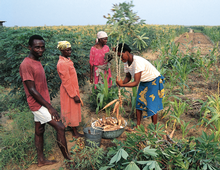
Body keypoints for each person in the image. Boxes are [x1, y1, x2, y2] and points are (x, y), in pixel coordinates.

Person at [19, 35, 71, 167]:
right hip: (37, 104)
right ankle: (69, 160)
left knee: (39, 130)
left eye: (42, 47)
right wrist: (49, 107)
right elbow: (32, 90)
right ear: (30, 47)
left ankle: (41, 160)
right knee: (60, 127)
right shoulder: (26, 64)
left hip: (42, 102)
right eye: (37, 47)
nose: (40, 50)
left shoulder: (36, 61)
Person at [115, 43, 165, 128]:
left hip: (154, 80)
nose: (121, 58)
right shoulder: (126, 62)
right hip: (144, 81)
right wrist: (121, 83)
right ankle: (138, 126)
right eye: (119, 57)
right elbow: (128, 76)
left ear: (126, 52)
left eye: (121, 55)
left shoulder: (137, 62)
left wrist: (122, 85)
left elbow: (136, 82)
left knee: (151, 104)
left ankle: (155, 129)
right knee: (139, 103)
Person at [57, 41, 83, 138]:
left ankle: (73, 130)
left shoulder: (67, 60)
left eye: (70, 49)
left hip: (72, 89)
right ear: (62, 50)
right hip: (68, 91)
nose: (69, 51)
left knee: (72, 110)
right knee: (69, 110)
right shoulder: (62, 63)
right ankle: (70, 132)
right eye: (67, 50)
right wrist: (73, 95)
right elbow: (66, 81)